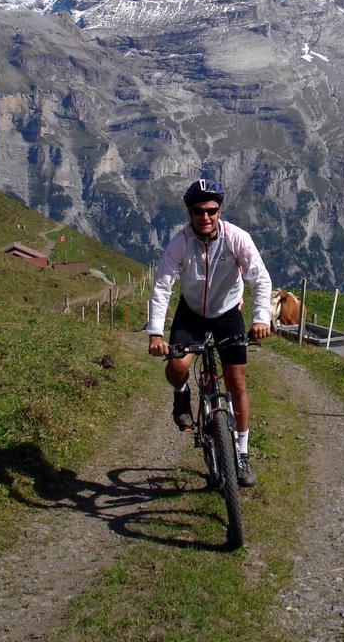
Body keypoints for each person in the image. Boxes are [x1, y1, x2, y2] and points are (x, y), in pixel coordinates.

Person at [147, 178, 272, 487]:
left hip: (228, 313)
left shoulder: (237, 239)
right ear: (190, 213)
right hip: (191, 314)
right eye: (198, 211)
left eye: (212, 210)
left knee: (236, 382)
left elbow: (260, 279)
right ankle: (181, 396)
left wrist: (261, 319)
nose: (206, 217)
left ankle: (241, 454)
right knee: (178, 367)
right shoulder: (180, 242)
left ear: (220, 211)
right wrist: (155, 334)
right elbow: (162, 287)